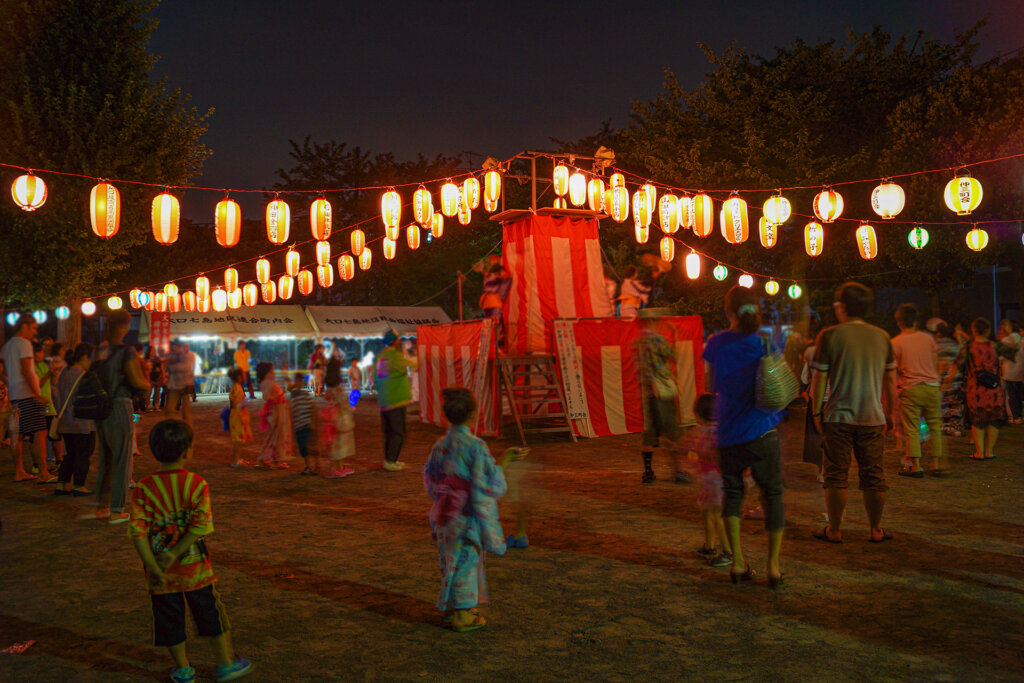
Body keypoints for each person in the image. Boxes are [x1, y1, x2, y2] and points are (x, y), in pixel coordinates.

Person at [127, 419, 252, 683]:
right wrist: (177, 552)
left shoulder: (143, 488)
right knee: (210, 614)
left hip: (160, 575)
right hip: (196, 570)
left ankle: (183, 669)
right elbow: (199, 528)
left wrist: (153, 565)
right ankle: (226, 664)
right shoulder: (196, 484)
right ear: (187, 451)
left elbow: (137, 535)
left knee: (169, 620)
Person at [423, 387, 525, 631]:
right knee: (467, 560)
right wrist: (505, 461)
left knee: (449, 560)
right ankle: (462, 615)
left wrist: (443, 497)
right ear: (473, 414)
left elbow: (431, 477)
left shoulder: (441, 445)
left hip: (446, 512)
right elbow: (488, 485)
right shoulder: (476, 446)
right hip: (466, 513)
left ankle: (453, 607)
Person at [703, 286, 785, 586]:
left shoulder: (715, 343)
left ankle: (737, 563)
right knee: (773, 495)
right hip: (764, 429)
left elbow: (712, 388)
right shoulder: (766, 341)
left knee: (733, 495)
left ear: (728, 311)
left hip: (729, 432)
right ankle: (773, 567)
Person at [810, 282, 897, 544]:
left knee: (836, 474)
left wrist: (816, 412)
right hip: (873, 417)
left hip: (838, 416)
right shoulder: (882, 337)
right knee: (874, 475)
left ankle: (834, 530)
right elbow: (890, 380)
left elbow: (819, 377)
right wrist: (890, 413)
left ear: (843, 307)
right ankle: (875, 529)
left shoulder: (830, 335)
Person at [94, 309, 151, 524]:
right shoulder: (126, 351)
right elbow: (136, 380)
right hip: (119, 404)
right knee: (122, 458)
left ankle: (101, 506)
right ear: (123, 326)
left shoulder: (99, 349)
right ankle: (117, 509)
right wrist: (146, 384)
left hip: (100, 407)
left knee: (105, 458)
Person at [891, 304, 945, 477]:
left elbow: (893, 371)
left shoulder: (895, 342)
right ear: (916, 320)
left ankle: (915, 467)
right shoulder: (928, 338)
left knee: (912, 429)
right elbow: (935, 362)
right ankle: (935, 464)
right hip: (932, 387)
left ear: (899, 322)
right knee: (935, 427)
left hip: (911, 388)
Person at [635, 308, 687, 484]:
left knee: (650, 431)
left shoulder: (640, 342)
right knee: (672, 431)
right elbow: (673, 356)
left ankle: (648, 472)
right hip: (663, 389)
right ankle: (678, 471)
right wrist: (674, 334)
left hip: (648, 392)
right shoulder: (658, 339)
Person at [2, 313, 53, 482]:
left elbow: (4, 371)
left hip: (16, 395)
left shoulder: (8, 345)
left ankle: (19, 471)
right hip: (28, 394)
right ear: (24, 326)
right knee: (40, 431)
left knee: (18, 435)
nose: (35, 332)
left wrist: (10, 385)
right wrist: (37, 394)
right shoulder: (24, 344)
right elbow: (26, 370)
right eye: (33, 328)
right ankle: (44, 473)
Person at [683, 393, 733, 568]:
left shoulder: (715, 433)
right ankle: (710, 546)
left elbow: (716, 456)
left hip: (717, 483)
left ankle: (728, 552)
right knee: (707, 512)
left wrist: (696, 453)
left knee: (718, 516)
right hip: (711, 483)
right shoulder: (709, 431)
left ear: (699, 415)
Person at [949, 318, 1007, 460]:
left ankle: (979, 452)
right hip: (993, 387)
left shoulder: (968, 347)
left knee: (978, 420)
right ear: (988, 331)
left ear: (973, 330)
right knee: (993, 420)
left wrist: (947, 382)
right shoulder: (995, 346)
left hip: (975, 389)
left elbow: (957, 365)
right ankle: (990, 452)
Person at [53, 343, 96, 496]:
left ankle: (61, 483)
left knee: (69, 454)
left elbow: (56, 395)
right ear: (85, 357)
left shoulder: (65, 371)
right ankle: (79, 485)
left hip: (65, 422)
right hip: (83, 423)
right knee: (83, 454)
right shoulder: (84, 375)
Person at [376, 330, 418, 472]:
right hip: (396, 399)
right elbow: (414, 364)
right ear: (394, 341)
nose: (400, 341)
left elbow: (375, 378)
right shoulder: (395, 356)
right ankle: (391, 460)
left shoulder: (381, 356)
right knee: (398, 432)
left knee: (389, 432)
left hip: (384, 401)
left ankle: (389, 460)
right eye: (398, 339)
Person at [928, 319, 966, 437]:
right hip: (954, 378)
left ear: (938, 333)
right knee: (954, 405)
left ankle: (942, 427)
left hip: (939, 379)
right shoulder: (955, 345)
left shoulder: (934, 345)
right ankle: (954, 427)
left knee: (941, 404)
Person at [318, 359, 355, 479]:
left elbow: (328, 398)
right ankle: (337, 468)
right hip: (340, 417)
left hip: (332, 417)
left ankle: (338, 467)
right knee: (340, 443)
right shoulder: (338, 389)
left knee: (336, 443)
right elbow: (344, 402)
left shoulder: (329, 388)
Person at [256, 362, 291, 469]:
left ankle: (275, 460)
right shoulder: (268, 383)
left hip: (279, 410)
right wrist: (274, 398)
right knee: (275, 436)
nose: (274, 373)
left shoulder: (268, 382)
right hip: (277, 411)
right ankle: (265, 459)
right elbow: (266, 396)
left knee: (276, 436)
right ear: (266, 373)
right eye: (271, 371)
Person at [34, 341, 60, 467]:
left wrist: (54, 373)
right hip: (38, 406)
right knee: (39, 437)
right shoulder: (31, 368)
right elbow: (37, 385)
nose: (43, 354)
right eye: (40, 351)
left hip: (49, 405)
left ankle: (59, 462)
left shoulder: (44, 365)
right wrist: (49, 374)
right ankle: (38, 465)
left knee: (55, 433)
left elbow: (53, 382)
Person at [288, 373, 318, 476]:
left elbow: (313, 408)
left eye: (300, 382)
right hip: (299, 426)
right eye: (297, 382)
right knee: (303, 447)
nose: (298, 384)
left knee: (307, 446)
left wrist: (312, 421)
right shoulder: (294, 395)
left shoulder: (305, 395)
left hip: (305, 424)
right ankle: (310, 466)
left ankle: (312, 465)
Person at [479, 262, 512, 348]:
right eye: (503, 271)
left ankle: (489, 348)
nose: (504, 274)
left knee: (490, 326)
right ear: (499, 272)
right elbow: (502, 288)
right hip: (494, 305)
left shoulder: (489, 278)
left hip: (487, 305)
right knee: (497, 326)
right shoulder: (494, 278)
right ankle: (496, 348)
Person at [997, 319, 1023, 423]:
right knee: (1019, 395)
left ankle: (1014, 416)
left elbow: (1001, 357)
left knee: (1011, 395)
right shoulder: (1019, 338)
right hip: (1021, 371)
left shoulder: (1005, 341)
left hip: (1009, 371)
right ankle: (1020, 415)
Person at [164, 342, 193, 426]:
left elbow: (184, 367)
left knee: (186, 411)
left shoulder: (189, 355)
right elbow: (169, 368)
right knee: (169, 409)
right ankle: (169, 428)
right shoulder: (171, 356)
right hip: (174, 385)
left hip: (185, 384)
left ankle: (188, 428)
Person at [227, 369, 252, 468]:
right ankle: (235, 460)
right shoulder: (237, 388)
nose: (245, 377)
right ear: (239, 377)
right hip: (237, 416)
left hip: (236, 415)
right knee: (238, 439)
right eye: (243, 375)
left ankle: (237, 459)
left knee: (239, 438)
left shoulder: (236, 387)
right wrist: (247, 401)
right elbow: (237, 404)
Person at [146, 346, 166, 411]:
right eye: (152, 350)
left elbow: (162, 368)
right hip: (149, 377)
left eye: (154, 350)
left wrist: (163, 376)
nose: (153, 352)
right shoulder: (146, 359)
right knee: (149, 391)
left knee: (157, 392)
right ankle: (148, 405)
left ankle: (156, 405)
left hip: (157, 376)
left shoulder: (157, 359)